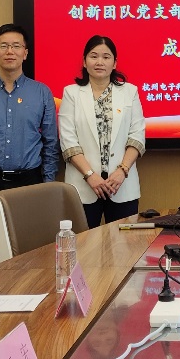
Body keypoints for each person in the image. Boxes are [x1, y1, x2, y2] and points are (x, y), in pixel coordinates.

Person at [0, 23, 60, 264]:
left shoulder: (42, 93)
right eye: (3, 46)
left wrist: (47, 187)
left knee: (31, 253)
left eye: (16, 46)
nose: (10, 51)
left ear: (25, 53)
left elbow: (50, 145)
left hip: (29, 182)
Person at [58, 35, 146, 229]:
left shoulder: (130, 92)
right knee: (83, 245)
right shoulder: (71, 93)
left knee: (124, 244)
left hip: (122, 185)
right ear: (84, 61)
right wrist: (90, 175)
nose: (99, 62)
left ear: (114, 63)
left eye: (106, 57)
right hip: (83, 187)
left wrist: (122, 170)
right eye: (94, 56)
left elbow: (137, 136)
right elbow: (68, 141)